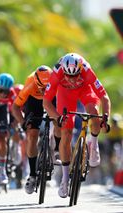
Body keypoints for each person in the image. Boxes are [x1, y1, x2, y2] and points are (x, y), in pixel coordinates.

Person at [43, 53, 111, 198]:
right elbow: (46, 102)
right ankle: (65, 179)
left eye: (75, 76)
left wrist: (105, 118)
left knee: (93, 112)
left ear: (80, 70)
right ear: (63, 71)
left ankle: (93, 145)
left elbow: (104, 97)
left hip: (85, 90)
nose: (72, 79)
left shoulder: (87, 71)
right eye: (69, 76)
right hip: (65, 95)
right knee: (66, 133)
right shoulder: (57, 73)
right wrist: (58, 118)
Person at [12, 65, 61, 194]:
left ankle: (57, 149)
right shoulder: (30, 84)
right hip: (34, 101)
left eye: (47, 87)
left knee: (58, 121)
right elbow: (15, 107)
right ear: (37, 83)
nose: (45, 90)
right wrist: (23, 122)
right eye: (42, 88)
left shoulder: (56, 80)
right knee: (32, 135)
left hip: (52, 99)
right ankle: (32, 175)